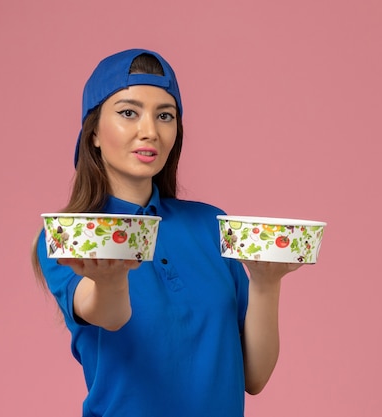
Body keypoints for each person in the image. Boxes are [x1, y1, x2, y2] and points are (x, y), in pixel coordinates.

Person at [31, 48, 302, 417]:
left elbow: (253, 376)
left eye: (165, 116)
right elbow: (108, 315)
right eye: (129, 112)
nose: (150, 132)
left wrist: (266, 283)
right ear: (93, 132)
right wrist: (109, 278)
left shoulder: (211, 227)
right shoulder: (68, 235)